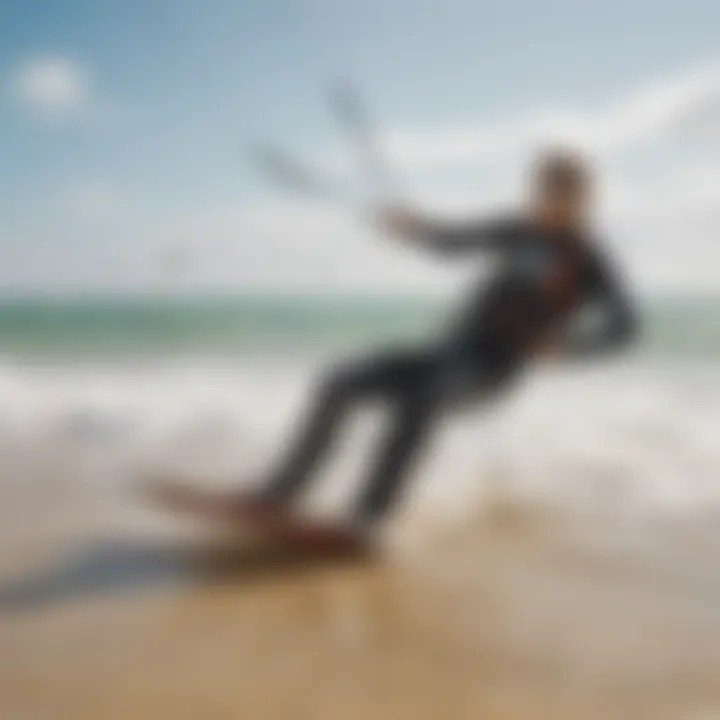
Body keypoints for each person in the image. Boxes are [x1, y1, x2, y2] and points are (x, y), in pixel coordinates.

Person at [152, 148, 639, 552]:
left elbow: (626, 327)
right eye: (544, 188)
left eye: (562, 191)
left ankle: (365, 522)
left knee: (419, 399)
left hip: (494, 371)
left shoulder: (588, 257)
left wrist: (571, 347)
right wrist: (413, 228)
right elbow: (453, 241)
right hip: (451, 351)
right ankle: (278, 497)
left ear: (582, 198)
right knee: (340, 380)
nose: (549, 199)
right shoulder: (517, 230)